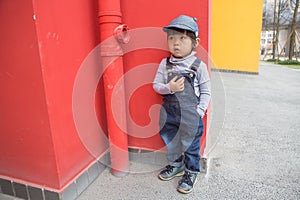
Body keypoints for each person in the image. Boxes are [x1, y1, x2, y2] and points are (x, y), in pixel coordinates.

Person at [153, 15, 211, 194]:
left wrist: (200, 111)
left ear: (195, 42)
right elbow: (156, 86)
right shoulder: (165, 63)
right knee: (171, 141)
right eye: (171, 38)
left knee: (190, 144)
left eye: (182, 38)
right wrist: (168, 88)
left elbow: (206, 90)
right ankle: (176, 165)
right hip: (169, 112)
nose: (175, 43)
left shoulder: (198, 65)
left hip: (190, 114)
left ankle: (191, 171)